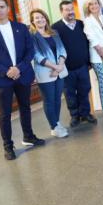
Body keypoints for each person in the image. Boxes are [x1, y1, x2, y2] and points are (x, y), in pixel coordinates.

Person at [0, 0, 44, 160]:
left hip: (22, 75)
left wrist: (18, 68)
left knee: (25, 107)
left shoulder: (21, 27)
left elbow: (30, 52)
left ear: (7, 8)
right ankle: (8, 146)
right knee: (5, 114)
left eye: (1, 7)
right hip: (2, 78)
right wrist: (7, 71)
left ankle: (28, 136)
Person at [52, 1, 97, 127]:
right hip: (66, 69)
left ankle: (86, 114)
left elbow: (88, 43)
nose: (70, 12)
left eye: (72, 9)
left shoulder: (81, 24)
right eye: (67, 10)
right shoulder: (55, 28)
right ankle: (75, 116)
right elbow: (55, 49)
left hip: (83, 66)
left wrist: (88, 62)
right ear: (61, 12)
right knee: (70, 93)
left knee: (84, 90)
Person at [30, 8, 69, 138]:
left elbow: (62, 50)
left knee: (58, 99)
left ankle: (56, 123)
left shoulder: (54, 33)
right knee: (49, 100)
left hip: (59, 70)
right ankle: (54, 126)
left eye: (42, 17)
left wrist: (60, 66)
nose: (40, 20)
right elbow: (37, 56)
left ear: (46, 19)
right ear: (32, 21)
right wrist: (54, 67)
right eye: (36, 18)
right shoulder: (32, 36)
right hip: (46, 73)